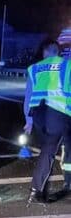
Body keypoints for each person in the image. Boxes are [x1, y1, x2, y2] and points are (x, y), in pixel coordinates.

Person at [23, 40, 71, 203]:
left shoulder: (35, 68)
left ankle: (37, 190)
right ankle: (64, 184)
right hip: (58, 113)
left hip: (38, 115)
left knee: (47, 151)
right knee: (63, 148)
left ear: (44, 52)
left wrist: (28, 121)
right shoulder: (66, 65)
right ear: (57, 52)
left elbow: (28, 96)